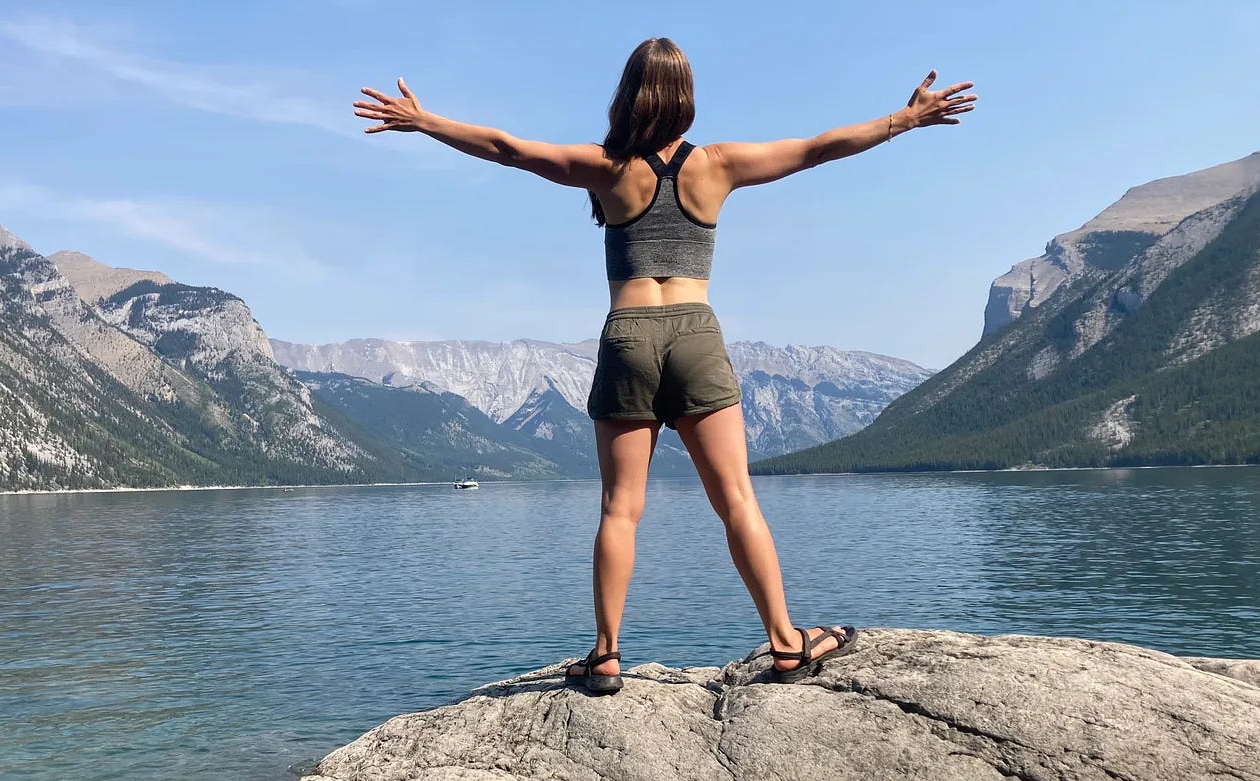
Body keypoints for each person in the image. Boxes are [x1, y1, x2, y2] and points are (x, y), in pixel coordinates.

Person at [354, 38, 974, 693]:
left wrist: (425, 121)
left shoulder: (606, 168)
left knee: (620, 509)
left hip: (628, 335)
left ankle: (606, 655)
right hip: (696, 332)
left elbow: (506, 148)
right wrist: (905, 119)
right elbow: (819, 147)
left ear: (628, 97)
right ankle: (786, 642)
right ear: (686, 98)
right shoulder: (718, 164)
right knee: (737, 500)